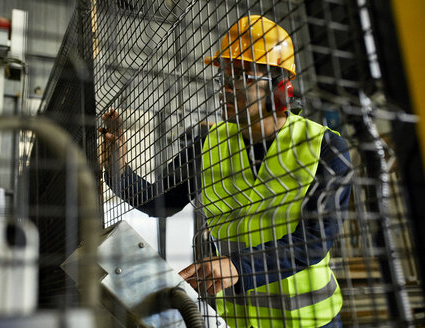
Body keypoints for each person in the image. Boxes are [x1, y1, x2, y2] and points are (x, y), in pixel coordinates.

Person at [100, 15, 351, 328]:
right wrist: (117, 167)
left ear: (280, 85)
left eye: (242, 77)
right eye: (224, 79)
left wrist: (238, 266)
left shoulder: (324, 147)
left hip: (312, 321)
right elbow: (158, 202)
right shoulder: (208, 143)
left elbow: (315, 239)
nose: (227, 90)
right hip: (240, 321)